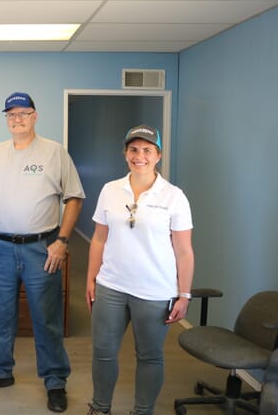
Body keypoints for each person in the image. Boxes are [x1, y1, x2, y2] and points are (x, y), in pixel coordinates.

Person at [0, 92, 85, 412]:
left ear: (35, 116)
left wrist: (61, 241)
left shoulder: (53, 152)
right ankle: (1, 372)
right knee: (0, 317)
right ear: (6, 119)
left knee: (46, 319)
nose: (16, 119)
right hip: (0, 250)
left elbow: (74, 198)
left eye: (23, 113)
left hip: (40, 250)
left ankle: (55, 380)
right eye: (10, 114)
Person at [85, 125, 194, 415]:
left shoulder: (174, 197)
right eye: (133, 149)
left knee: (149, 356)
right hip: (111, 286)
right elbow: (98, 238)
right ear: (125, 153)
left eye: (147, 150)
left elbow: (184, 251)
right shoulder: (110, 190)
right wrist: (91, 279)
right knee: (103, 353)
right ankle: (100, 408)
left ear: (158, 155)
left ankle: (142, 411)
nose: (139, 156)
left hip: (154, 291)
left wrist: (184, 294)